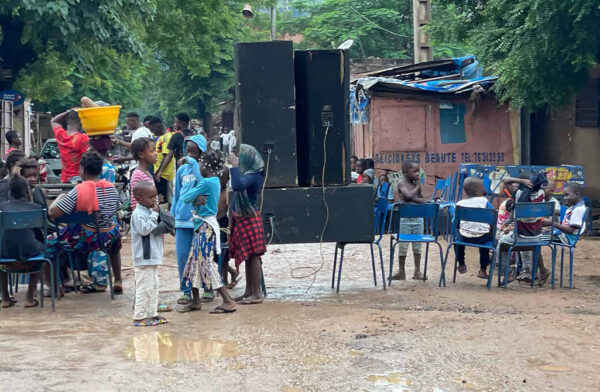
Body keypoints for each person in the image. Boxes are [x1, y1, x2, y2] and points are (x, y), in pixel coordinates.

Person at [47, 152, 121, 294]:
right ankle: (118, 280)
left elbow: (53, 212)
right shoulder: (111, 188)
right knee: (115, 243)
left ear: (82, 169)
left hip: (87, 239)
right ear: (100, 170)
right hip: (109, 237)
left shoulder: (78, 190)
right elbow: (116, 208)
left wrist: (59, 197)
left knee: (49, 243)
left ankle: (57, 286)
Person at [179, 150, 237, 314]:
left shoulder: (206, 183)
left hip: (205, 228)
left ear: (206, 165)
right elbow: (197, 173)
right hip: (206, 227)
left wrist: (193, 197)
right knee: (194, 263)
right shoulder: (213, 181)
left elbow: (185, 196)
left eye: (201, 163)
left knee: (205, 263)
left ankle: (227, 300)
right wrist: (190, 160)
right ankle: (196, 300)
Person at [228, 144, 267, 305]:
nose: (238, 157)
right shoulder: (250, 174)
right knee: (249, 256)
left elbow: (237, 186)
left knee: (254, 256)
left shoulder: (253, 175)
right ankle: (249, 291)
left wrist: (234, 167)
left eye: (240, 155)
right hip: (246, 218)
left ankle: (257, 294)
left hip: (249, 218)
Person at [495, 173, 549, 286]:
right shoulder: (541, 194)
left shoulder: (518, 194)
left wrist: (521, 181)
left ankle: (507, 272)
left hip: (521, 236)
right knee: (525, 237)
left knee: (502, 242)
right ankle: (527, 271)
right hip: (536, 237)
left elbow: (505, 180)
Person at [170, 135, 207, 305]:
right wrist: (173, 216)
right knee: (183, 257)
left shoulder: (204, 168)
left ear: (202, 151)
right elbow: (177, 193)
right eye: (188, 151)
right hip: (182, 219)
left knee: (203, 256)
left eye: (194, 151)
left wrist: (193, 164)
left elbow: (203, 184)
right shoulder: (181, 171)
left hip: (199, 219)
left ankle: (208, 288)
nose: (190, 154)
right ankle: (186, 291)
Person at [0, 175, 45, 308]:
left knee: (1, 251)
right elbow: (40, 233)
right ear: (27, 191)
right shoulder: (36, 208)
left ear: (9, 192)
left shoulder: (1, 208)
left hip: (4, 253)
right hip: (30, 253)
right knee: (42, 250)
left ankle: (5, 298)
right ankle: (29, 297)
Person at [130, 181, 168, 326]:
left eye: (155, 196)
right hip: (144, 258)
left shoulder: (149, 211)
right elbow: (144, 229)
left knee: (153, 286)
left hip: (152, 257)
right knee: (143, 287)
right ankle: (139, 316)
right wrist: (154, 215)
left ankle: (152, 313)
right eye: (150, 197)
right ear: (139, 199)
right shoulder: (138, 214)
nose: (154, 200)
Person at [392, 160, 427, 280]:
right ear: (406, 172)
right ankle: (401, 271)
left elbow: (424, 200)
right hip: (404, 220)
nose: (418, 174)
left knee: (417, 246)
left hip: (418, 219)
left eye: (418, 171)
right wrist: (416, 190)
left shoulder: (416, 185)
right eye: (415, 171)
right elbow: (407, 196)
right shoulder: (401, 183)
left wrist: (414, 199)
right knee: (403, 246)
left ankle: (417, 271)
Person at [453, 177, 494, 279]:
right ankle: (483, 270)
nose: (484, 189)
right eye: (482, 187)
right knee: (485, 244)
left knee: (457, 240)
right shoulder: (485, 201)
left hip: (464, 237)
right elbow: (493, 217)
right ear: (476, 190)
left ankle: (461, 263)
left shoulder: (459, 204)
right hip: (482, 238)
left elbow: (456, 223)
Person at [51, 110, 89, 183]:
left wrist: (66, 112)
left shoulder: (61, 135)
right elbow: (85, 159)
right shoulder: (83, 138)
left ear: (67, 122)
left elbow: (53, 121)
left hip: (64, 178)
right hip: (78, 177)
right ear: (80, 123)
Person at [149, 117, 175, 205]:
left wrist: (160, 171)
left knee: (164, 199)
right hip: (160, 173)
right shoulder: (161, 138)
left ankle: (166, 217)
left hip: (165, 174)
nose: (153, 132)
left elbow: (167, 156)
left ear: (158, 126)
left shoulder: (167, 137)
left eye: (153, 129)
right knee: (161, 198)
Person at [130, 138, 158, 211]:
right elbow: (134, 203)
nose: (156, 154)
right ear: (141, 154)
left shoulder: (147, 172)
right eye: (152, 151)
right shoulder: (138, 175)